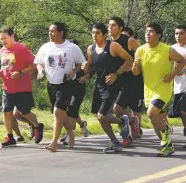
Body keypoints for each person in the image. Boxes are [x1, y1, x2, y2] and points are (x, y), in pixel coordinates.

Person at [132, 22, 186, 157]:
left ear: (158, 34)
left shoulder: (166, 49)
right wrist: (135, 66)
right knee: (155, 119)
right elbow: (136, 73)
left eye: (151, 31)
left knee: (151, 113)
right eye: (146, 31)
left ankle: (167, 140)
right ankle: (165, 142)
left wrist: (172, 75)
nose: (147, 34)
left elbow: (182, 61)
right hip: (148, 90)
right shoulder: (140, 50)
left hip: (163, 88)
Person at [34, 22, 86, 152]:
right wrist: (40, 71)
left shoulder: (72, 47)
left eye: (52, 31)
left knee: (57, 112)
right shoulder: (45, 47)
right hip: (52, 84)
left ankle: (54, 143)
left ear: (61, 33)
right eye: (49, 31)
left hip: (66, 84)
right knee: (61, 115)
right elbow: (39, 63)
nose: (49, 33)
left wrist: (74, 71)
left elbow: (80, 64)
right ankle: (71, 133)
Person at [84, 23, 133, 153]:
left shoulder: (113, 46)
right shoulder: (91, 49)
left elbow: (129, 59)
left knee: (102, 116)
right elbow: (90, 66)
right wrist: (86, 71)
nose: (94, 36)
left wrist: (116, 74)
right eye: (93, 33)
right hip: (99, 84)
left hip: (113, 84)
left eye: (97, 33)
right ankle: (115, 142)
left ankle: (122, 122)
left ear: (104, 35)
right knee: (101, 116)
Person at [0, 26, 44, 147]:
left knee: (25, 113)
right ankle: (10, 137)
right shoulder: (2, 51)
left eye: (5, 38)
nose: (3, 41)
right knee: (7, 112)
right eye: (1, 39)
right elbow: (5, 67)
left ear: (12, 36)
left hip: (22, 88)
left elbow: (34, 65)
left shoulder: (22, 49)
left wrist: (20, 73)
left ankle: (37, 126)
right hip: (7, 88)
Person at [108, 16, 142, 147]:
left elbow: (143, 53)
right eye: (109, 26)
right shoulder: (109, 43)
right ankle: (133, 120)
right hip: (115, 78)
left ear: (121, 28)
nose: (110, 28)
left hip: (129, 78)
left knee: (117, 109)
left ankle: (127, 137)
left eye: (113, 25)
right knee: (113, 110)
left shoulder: (129, 41)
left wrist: (135, 66)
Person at [59, 39, 90, 145]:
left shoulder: (83, 59)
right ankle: (82, 124)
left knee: (71, 109)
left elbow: (92, 69)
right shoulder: (63, 58)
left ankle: (69, 134)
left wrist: (86, 75)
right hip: (66, 88)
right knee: (65, 111)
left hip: (78, 88)